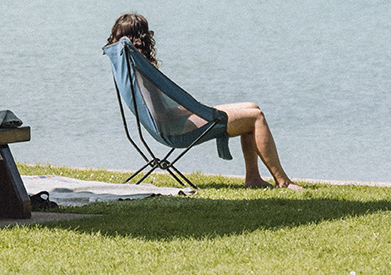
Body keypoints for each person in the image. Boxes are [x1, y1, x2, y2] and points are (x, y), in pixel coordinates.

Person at [105, 13, 304, 189]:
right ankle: (283, 181)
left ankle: (253, 178)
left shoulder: (129, 65)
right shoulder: (141, 68)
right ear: (141, 37)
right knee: (256, 117)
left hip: (170, 126)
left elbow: (158, 110)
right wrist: (187, 110)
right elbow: (161, 113)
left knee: (252, 107)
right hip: (174, 130)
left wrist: (187, 109)